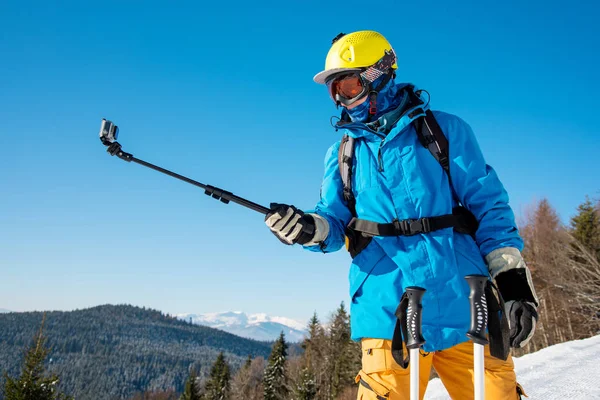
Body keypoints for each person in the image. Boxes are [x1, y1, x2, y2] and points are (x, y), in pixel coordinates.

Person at [265, 30, 538, 400]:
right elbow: (333, 220)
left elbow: (490, 208)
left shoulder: (443, 132)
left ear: (378, 74)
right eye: (334, 90)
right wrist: (306, 229)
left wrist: (513, 282)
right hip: (388, 310)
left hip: (466, 302)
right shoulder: (344, 153)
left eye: (347, 85)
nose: (340, 99)